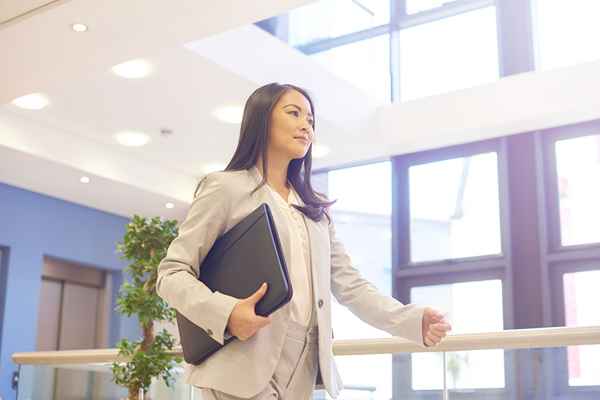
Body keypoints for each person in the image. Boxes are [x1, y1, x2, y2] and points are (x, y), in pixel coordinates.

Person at [156, 82, 452, 399]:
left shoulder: (315, 209)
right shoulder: (225, 188)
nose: (305, 126)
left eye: (310, 120)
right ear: (262, 119)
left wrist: (410, 321)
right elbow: (171, 273)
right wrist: (227, 313)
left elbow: (350, 285)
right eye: (293, 113)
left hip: (304, 363)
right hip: (241, 362)